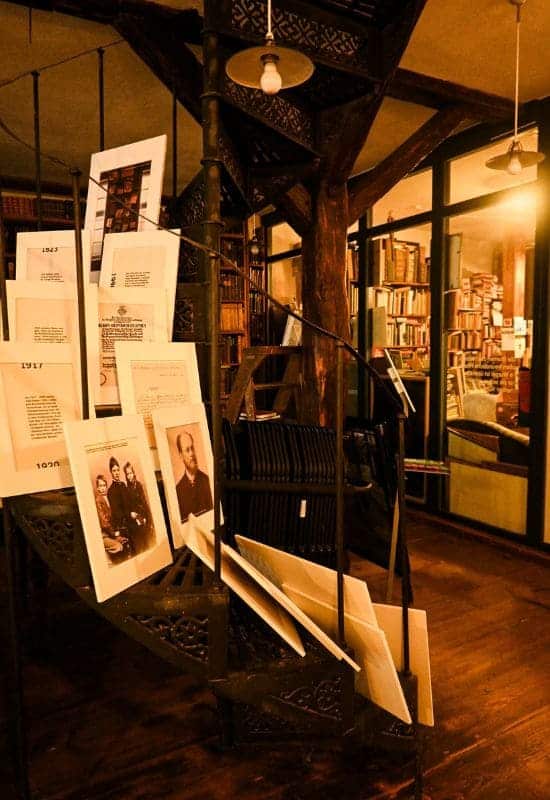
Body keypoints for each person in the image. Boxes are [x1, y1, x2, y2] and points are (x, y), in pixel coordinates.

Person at [175, 430, 213, 523]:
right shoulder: (178, 491)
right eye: (187, 450)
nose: (192, 453)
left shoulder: (207, 481)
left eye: (192, 448)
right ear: (181, 456)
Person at [94, 474, 133, 565]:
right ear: (97, 488)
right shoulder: (98, 501)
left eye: (104, 485)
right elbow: (104, 522)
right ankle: (106, 556)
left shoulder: (108, 497)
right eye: (100, 486)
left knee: (126, 540)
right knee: (118, 546)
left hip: (112, 531)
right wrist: (114, 534)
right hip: (104, 534)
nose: (102, 488)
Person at [123, 461, 155, 553]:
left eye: (130, 473)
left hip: (143, 517)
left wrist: (146, 518)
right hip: (134, 519)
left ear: (133, 473)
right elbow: (127, 506)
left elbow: (144, 503)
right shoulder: (126, 489)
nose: (129, 476)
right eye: (127, 474)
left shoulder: (139, 485)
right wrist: (131, 514)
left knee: (147, 543)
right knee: (139, 544)